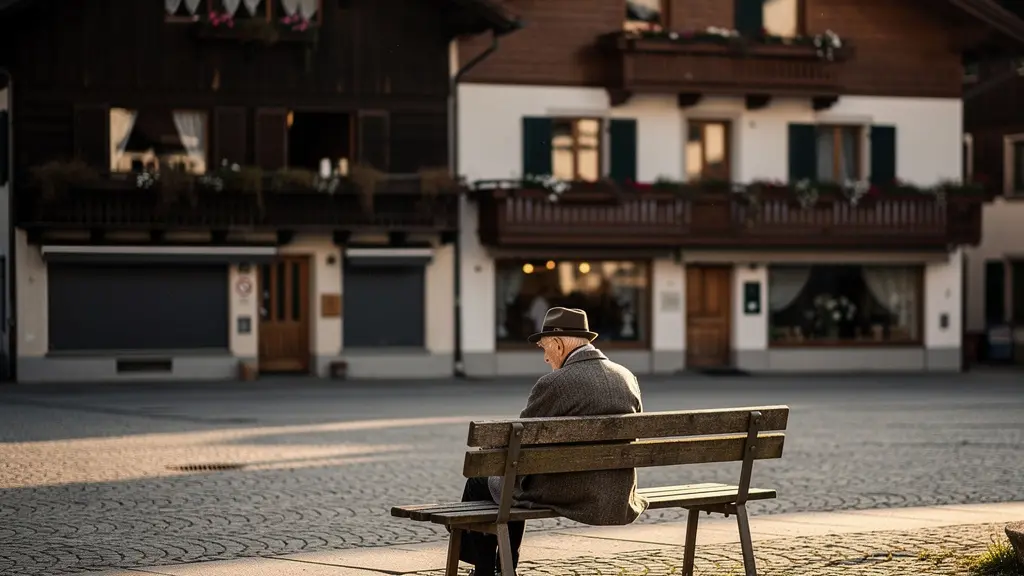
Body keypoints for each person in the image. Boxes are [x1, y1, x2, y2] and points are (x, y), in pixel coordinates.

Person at [458, 307, 648, 575]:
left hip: (573, 490)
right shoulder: (626, 377)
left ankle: (487, 570)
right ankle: (502, 567)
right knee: (509, 482)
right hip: (617, 490)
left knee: (485, 482)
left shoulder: (555, 383)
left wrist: (490, 448)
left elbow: (519, 441)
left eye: (544, 348)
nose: (545, 358)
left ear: (558, 344)